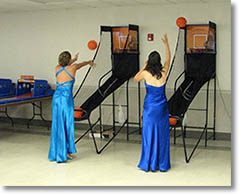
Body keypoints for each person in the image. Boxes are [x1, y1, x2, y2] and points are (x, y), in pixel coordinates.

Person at [48, 51, 95, 163]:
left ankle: (58, 152)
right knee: (67, 124)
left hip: (56, 99)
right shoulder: (73, 68)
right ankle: (65, 152)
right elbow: (81, 64)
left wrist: (73, 59)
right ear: (69, 61)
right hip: (65, 100)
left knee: (58, 124)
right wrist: (89, 62)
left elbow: (66, 64)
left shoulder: (57, 68)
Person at [134, 34, 171, 172]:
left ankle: (148, 163)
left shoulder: (145, 74)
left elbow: (135, 79)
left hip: (149, 109)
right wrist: (166, 44)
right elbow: (169, 59)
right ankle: (161, 164)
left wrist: (143, 67)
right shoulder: (164, 72)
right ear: (159, 61)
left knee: (148, 135)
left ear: (149, 61)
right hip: (162, 108)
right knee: (162, 136)